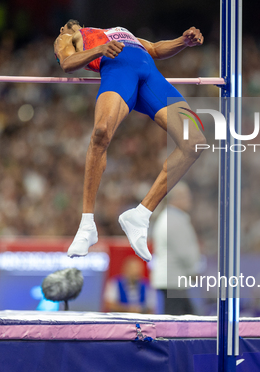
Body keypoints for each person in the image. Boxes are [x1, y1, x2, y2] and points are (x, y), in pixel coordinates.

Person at [53, 21, 206, 262]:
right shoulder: (70, 37)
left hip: (150, 77)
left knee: (194, 140)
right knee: (101, 132)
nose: (68, 25)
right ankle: (87, 225)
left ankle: (140, 215)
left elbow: (154, 49)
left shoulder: (119, 31)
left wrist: (182, 42)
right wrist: (99, 51)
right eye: (65, 25)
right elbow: (67, 64)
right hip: (118, 72)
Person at [151, 182, 202, 315]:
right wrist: (193, 270)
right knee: (178, 322)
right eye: (186, 196)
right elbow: (184, 252)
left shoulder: (171, 218)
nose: (190, 199)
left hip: (173, 279)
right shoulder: (173, 221)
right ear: (175, 198)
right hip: (173, 280)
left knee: (185, 317)